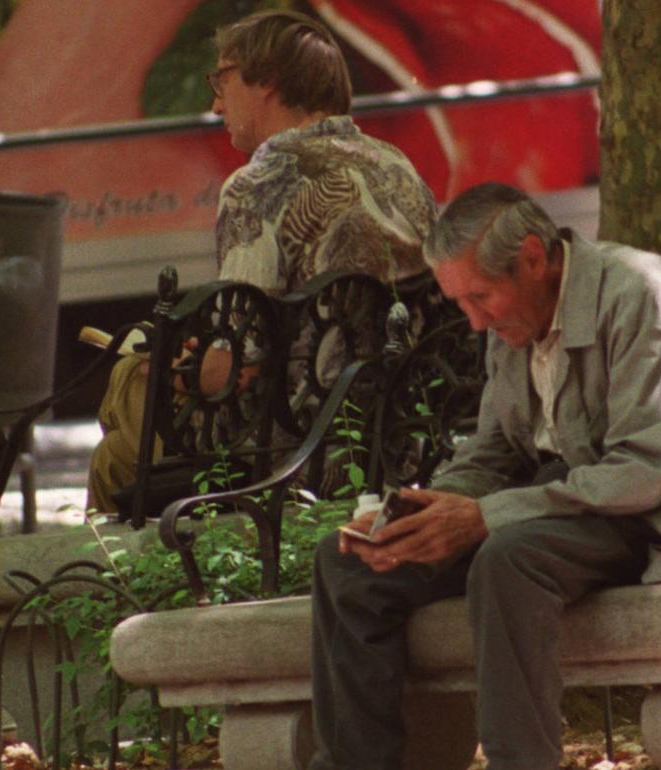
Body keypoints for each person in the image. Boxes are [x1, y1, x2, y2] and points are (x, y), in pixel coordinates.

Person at [309, 183, 661, 770]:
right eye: (461, 302)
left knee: (509, 558)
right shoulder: (513, 322)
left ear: (534, 259)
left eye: (480, 297)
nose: (474, 322)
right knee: (348, 564)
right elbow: (494, 454)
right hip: (570, 498)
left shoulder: (642, 294)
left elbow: (642, 474)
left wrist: (485, 517)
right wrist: (426, 513)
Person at [87, 10, 437, 512]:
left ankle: (119, 555)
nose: (215, 103)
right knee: (119, 452)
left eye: (222, 81)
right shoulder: (397, 167)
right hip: (402, 439)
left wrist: (177, 368)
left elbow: (235, 369)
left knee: (127, 390)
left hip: (295, 452)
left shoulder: (257, 186)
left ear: (267, 81)